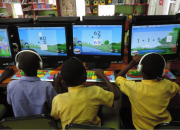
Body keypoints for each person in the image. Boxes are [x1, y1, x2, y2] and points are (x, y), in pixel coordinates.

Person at [51, 57, 119, 130]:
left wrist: (57, 85)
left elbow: (55, 117)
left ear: (64, 80)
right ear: (84, 76)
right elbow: (116, 96)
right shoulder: (95, 91)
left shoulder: (57, 99)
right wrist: (103, 76)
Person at [115, 53, 180, 130]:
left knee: (123, 111)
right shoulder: (167, 85)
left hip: (141, 128)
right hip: (163, 126)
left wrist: (131, 64)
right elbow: (175, 86)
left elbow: (118, 78)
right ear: (162, 71)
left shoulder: (133, 87)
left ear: (140, 69)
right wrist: (162, 75)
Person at [7, 50, 57, 117]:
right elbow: (55, 106)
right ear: (40, 65)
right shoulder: (47, 86)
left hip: (20, 125)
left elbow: (10, 102)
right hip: (43, 124)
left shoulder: (11, 85)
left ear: (18, 66)